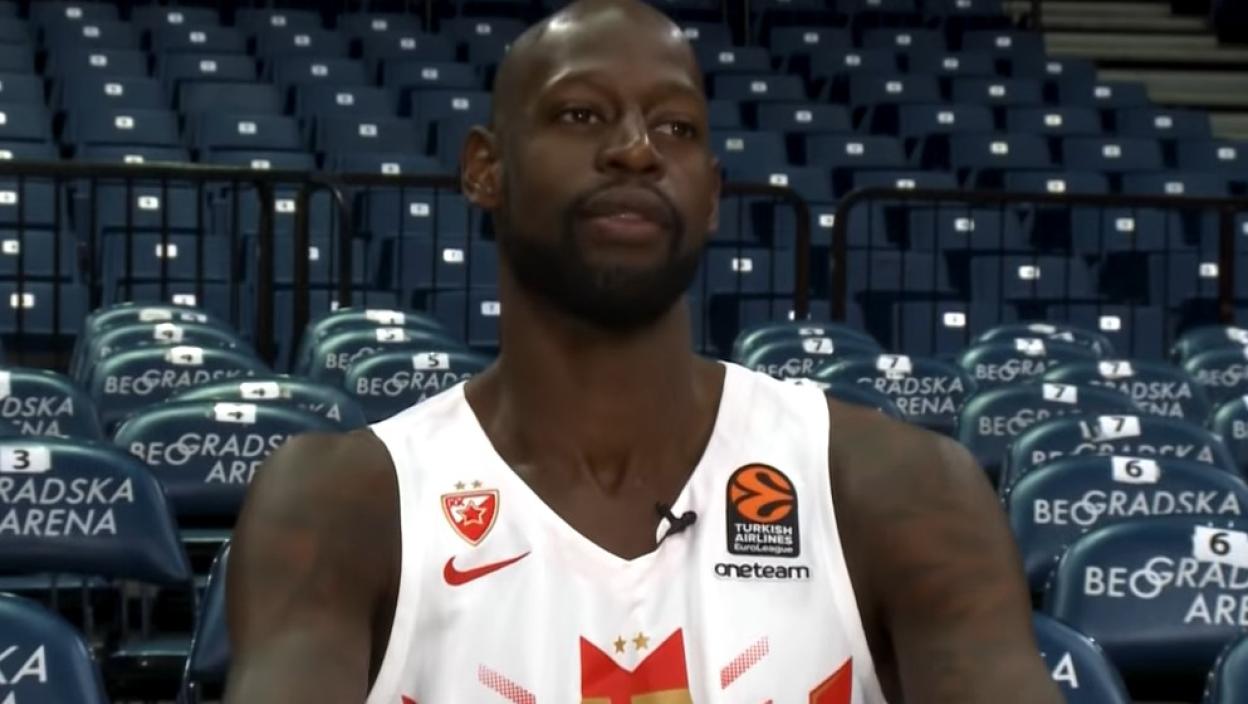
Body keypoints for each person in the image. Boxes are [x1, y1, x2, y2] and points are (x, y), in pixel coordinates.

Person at [224, 0, 1063, 701]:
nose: (636, 149)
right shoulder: (342, 505)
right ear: (484, 169)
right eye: (581, 113)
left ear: (712, 196)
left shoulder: (902, 491)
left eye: (676, 126)